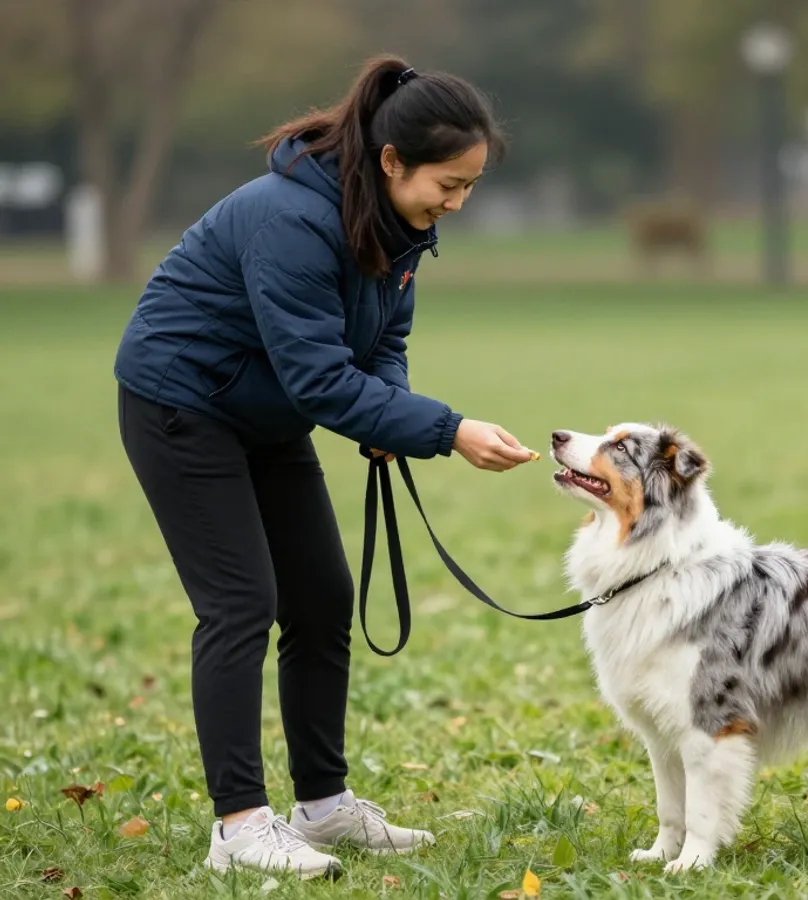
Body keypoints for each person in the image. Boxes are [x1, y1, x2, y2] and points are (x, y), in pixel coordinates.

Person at [114, 54, 535, 879]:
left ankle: (322, 808)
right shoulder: (290, 220)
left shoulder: (401, 223)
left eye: (470, 187)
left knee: (321, 597)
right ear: (390, 161)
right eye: (448, 184)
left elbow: (383, 343)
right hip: (181, 403)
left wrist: (390, 414)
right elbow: (318, 377)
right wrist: (446, 431)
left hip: (264, 407)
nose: (456, 203)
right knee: (241, 604)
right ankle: (239, 829)